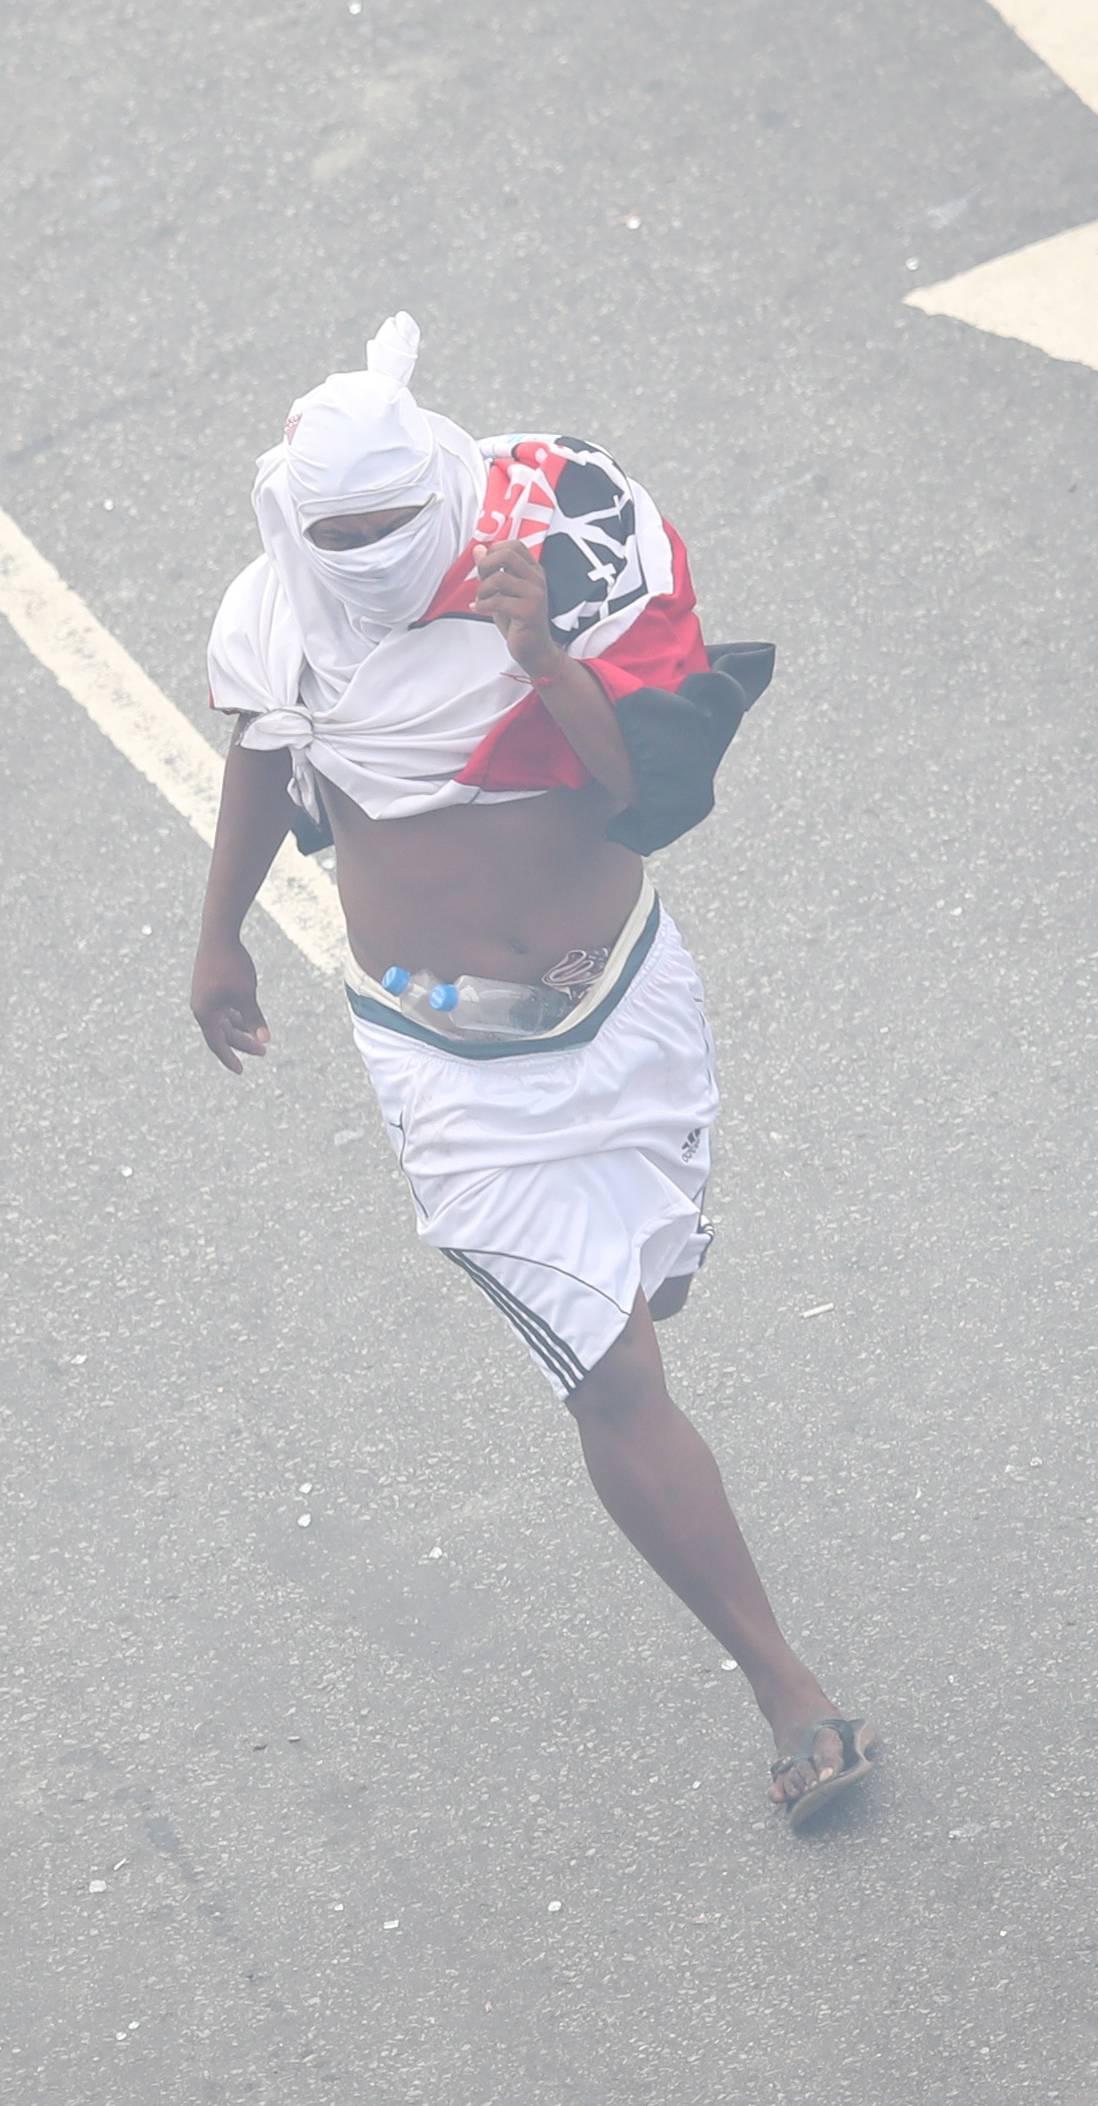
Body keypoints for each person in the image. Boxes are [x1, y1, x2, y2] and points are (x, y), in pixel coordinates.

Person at [190, 313, 875, 1827]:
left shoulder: (551, 549)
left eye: (383, 524)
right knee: (616, 1375)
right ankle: (790, 1690)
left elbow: (642, 791)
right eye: (334, 530)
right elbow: (256, 747)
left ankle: (650, 1308)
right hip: (450, 1062)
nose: (362, 551)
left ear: (436, 489)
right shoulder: (276, 617)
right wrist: (220, 932)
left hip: (624, 1003)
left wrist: (537, 654)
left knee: (658, 1293)